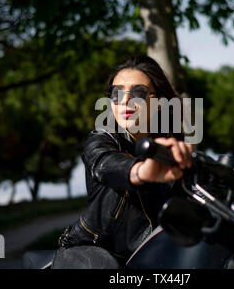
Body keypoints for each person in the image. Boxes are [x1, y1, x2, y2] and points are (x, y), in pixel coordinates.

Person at [52, 55, 193, 269]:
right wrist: (141, 171)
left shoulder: (169, 152)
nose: (125, 101)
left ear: (159, 103)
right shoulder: (102, 139)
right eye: (117, 94)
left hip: (149, 256)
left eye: (138, 92)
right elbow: (104, 163)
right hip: (90, 253)